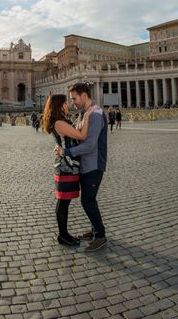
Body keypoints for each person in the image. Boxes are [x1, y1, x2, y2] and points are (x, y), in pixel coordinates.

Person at [55, 82, 108, 252]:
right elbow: (79, 136)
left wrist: (66, 151)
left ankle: (100, 236)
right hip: (85, 164)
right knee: (88, 200)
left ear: (84, 96)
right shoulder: (84, 114)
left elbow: (90, 145)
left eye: (74, 98)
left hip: (94, 163)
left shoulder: (96, 114)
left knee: (88, 201)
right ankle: (94, 230)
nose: (73, 102)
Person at [43, 94, 94, 247]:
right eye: (65, 102)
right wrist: (87, 116)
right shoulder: (59, 122)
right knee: (63, 201)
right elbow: (81, 135)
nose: (67, 104)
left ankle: (64, 234)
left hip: (68, 164)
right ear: (59, 105)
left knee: (65, 201)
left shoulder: (61, 121)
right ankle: (63, 235)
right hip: (66, 166)